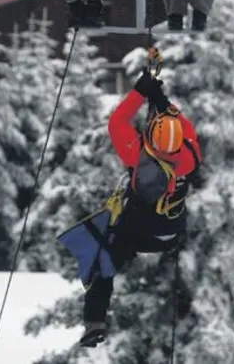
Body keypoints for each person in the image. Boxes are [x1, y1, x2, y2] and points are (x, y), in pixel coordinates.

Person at [62, 68, 202, 348]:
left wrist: (140, 92)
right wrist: (164, 104)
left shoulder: (136, 152)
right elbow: (186, 129)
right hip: (169, 235)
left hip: (135, 232)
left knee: (102, 263)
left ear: (149, 135)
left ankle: (95, 323)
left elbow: (117, 120)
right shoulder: (188, 157)